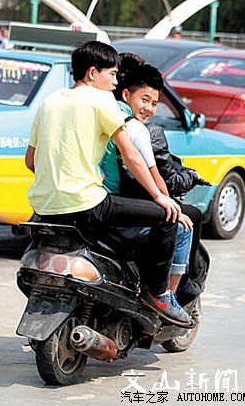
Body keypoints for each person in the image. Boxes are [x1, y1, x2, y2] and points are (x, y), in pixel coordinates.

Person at [25, 40, 190, 325]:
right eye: (112, 74)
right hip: (87, 205)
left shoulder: (49, 102)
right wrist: (160, 197)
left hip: (43, 207)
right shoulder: (101, 101)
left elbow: (31, 161)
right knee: (167, 218)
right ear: (92, 73)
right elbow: (132, 155)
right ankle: (159, 294)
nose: (115, 82)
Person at [100, 61, 193, 308]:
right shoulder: (133, 127)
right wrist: (167, 201)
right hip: (108, 206)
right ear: (126, 94)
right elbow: (154, 176)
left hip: (82, 203)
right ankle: (165, 299)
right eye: (145, 100)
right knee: (180, 225)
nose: (149, 108)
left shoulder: (92, 111)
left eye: (154, 103)